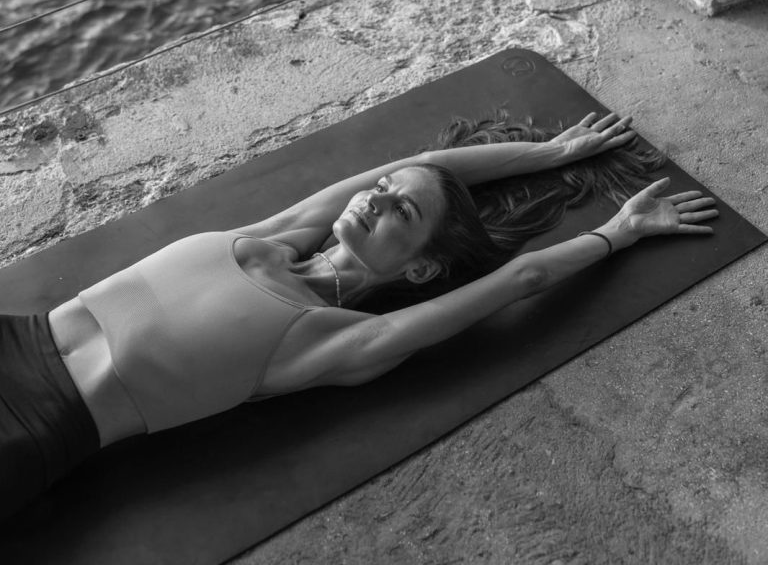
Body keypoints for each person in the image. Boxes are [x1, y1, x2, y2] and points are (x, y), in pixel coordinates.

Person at [0, 111, 718, 519]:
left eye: (400, 210)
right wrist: (553, 151)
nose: (375, 196)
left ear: (422, 270)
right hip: (17, 336)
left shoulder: (340, 340)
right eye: (380, 187)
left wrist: (618, 232)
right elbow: (427, 161)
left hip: (32, 429)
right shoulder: (270, 238)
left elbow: (522, 278)